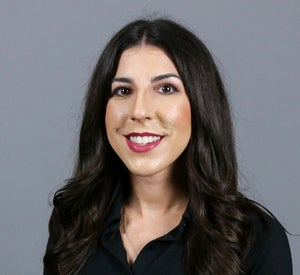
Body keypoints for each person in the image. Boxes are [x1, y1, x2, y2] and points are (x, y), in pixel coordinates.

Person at [43, 18, 292, 275]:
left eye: (165, 88)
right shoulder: (73, 221)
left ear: (201, 105)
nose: (139, 111)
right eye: (123, 91)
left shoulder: (256, 239)